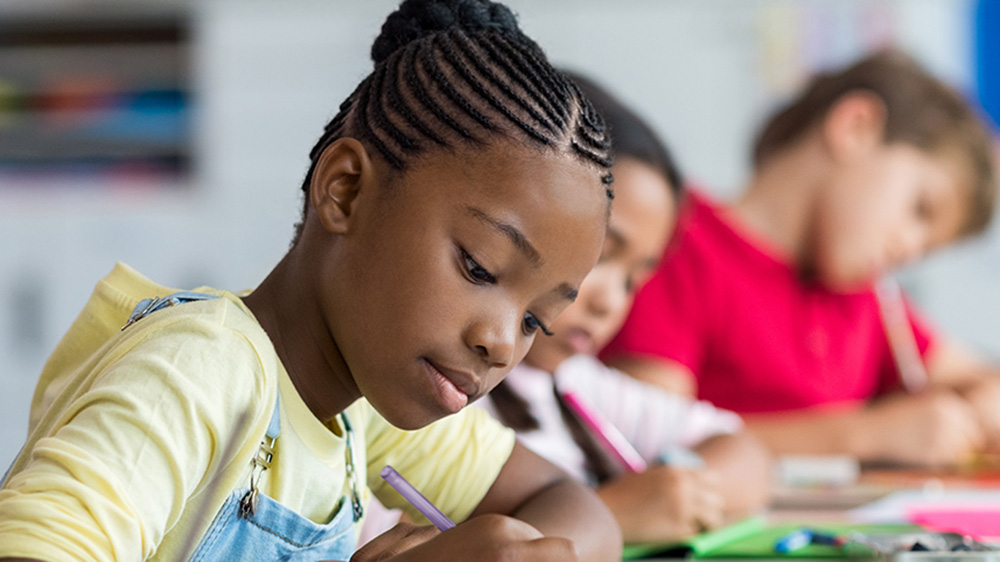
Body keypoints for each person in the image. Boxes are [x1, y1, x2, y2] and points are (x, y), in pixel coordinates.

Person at [0, 1, 626, 561]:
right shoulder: (199, 375)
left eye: (534, 319)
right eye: (479, 268)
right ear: (346, 191)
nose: (504, 345)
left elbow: (569, 502)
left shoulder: (360, 406)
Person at [601, 48, 1000, 469]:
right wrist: (868, 435)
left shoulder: (863, 297)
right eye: (919, 209)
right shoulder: (677, 242)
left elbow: (979, 377)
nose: (910, 250)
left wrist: (980, 405)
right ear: (856, 127)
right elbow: (646, 441)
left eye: (928, 248)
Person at [481, 72, 771, 545]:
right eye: (600, 256)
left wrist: (678, 487)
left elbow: (746, 454)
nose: (609, 300)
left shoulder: (574, 386)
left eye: (635, 278)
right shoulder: (449, 394)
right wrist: (614, 514)